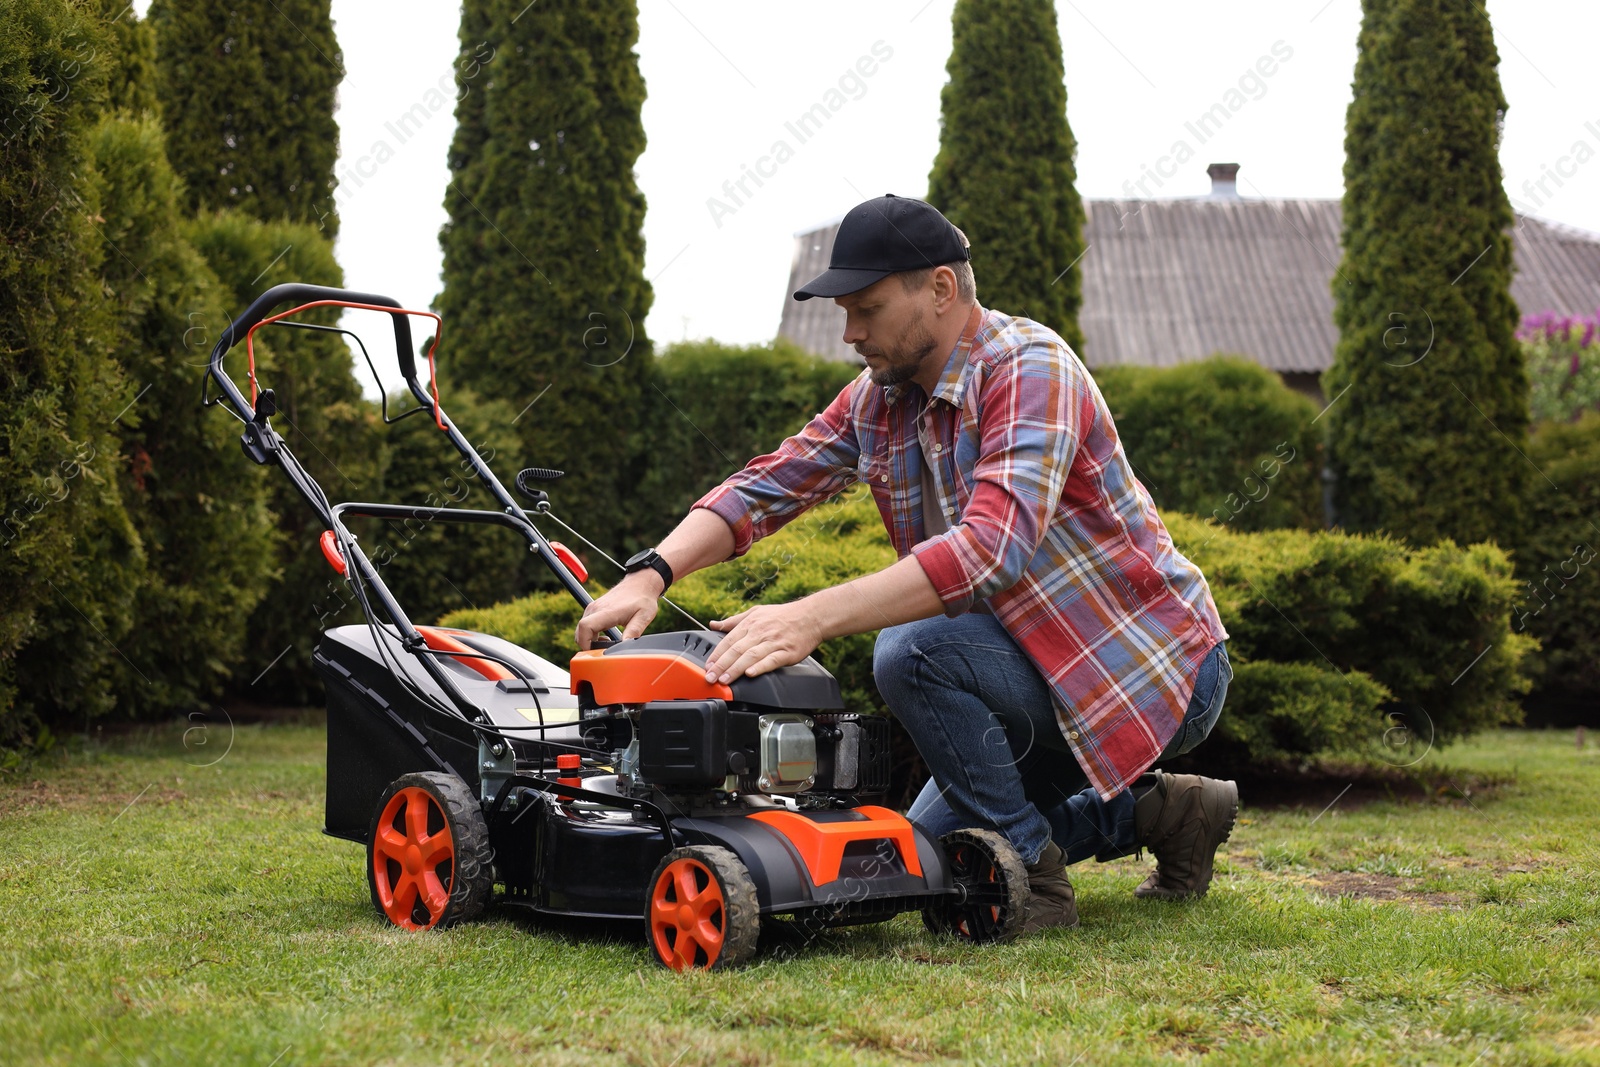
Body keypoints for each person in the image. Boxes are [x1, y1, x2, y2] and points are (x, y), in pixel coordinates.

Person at [576, 193, 1238, 934]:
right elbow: (769, 483)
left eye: (869, 308)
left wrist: (809, 617)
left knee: (911, 650)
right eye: (845, 313)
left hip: (1150, 668)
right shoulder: (878, 400)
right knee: (920, 852)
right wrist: (651, 571)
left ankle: (1034, 882)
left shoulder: (1029, 368)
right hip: (1029, 668)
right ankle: (1172, 811)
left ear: (942, 289)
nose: (852, 333)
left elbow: (991, 549)